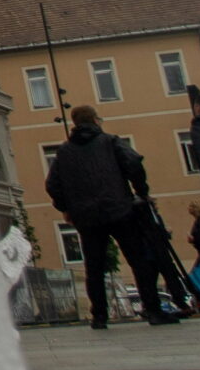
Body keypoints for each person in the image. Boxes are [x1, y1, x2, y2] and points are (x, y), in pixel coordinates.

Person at [44, 104, 190, 328]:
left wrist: (66, 207)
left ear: (75, 123)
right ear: (94, 120)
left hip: (87, 217)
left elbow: (52, 185)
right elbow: (133, 163)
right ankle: (152, 309)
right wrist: (141, 192)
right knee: (138, 260)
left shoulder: (64, 152)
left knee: (94, 266)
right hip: (120, 209)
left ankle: (99, 316)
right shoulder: (110, 142)